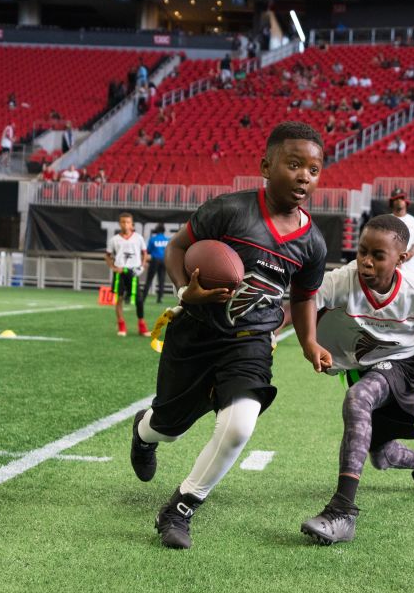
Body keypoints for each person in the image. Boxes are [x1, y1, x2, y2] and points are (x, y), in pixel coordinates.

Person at [130, 121, 332, 550]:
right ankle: (144, 433)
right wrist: (188, 291)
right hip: (197, 331)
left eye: (313, 170)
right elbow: (177, 248)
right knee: (167, 426)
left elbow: (304, 297)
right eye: (293, 165)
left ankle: (181, 507)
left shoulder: (312, 242)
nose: (303, 177)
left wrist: (310, 341)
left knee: (240, 424)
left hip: (250, 341)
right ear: (265, 165)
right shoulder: (228, 210)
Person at [299, 215, 414, 545]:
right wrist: (279, 334)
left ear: (402, 259)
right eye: (362, 251)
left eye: (377, 255)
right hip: (366, 368)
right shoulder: (343, 280)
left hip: (404, 368)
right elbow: (306, 299)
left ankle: (342, 512)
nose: (366, 260)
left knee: (358, 400)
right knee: (382, 456)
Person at [105, 212, 150, 337]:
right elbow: (107, 256)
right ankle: (121, 325)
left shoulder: (138, 238)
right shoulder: (114, 239)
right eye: (123, 222)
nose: (125, 224)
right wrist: (113, 267)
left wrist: (142, 266)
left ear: (132, 224)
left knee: (139, 299)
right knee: (119, 298)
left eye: (128, 222)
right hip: (120, 272)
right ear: (120, 223)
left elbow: (144, 253)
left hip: (134, 271)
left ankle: (142, 326)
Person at [388, 188, 414, 276]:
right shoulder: (385, 221)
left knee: (408, 289)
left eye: (401, 198)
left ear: (406, 201)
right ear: (391, 202)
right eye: (396, 199)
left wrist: (403, 258)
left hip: (409, 268)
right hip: (388, 264)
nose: (399, 201)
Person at [145, 224, 170, 304]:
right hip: (164, 260)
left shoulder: (153, 239)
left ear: (156, 230)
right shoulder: (167, 239)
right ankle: (160, 298)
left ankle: (143, 297)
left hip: (155, 260)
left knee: (149, 279)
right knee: (161, 279)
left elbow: (148, 250)